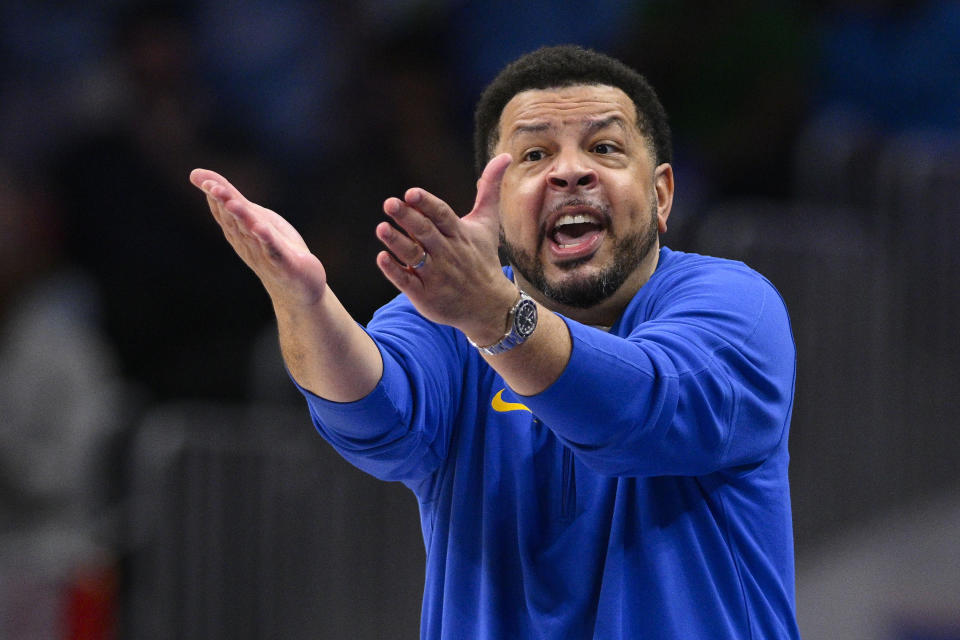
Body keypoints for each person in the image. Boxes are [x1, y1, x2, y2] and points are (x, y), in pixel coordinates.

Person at [190, 45, 799, 639]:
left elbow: (638, 407)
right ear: (501, 205)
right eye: (534, 154)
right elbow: (374, 418)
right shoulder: (449, 312)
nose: (570, 170)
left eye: (605, 147)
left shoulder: (734, 308)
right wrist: (306, 303)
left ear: (662, 194)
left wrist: (495, 317)